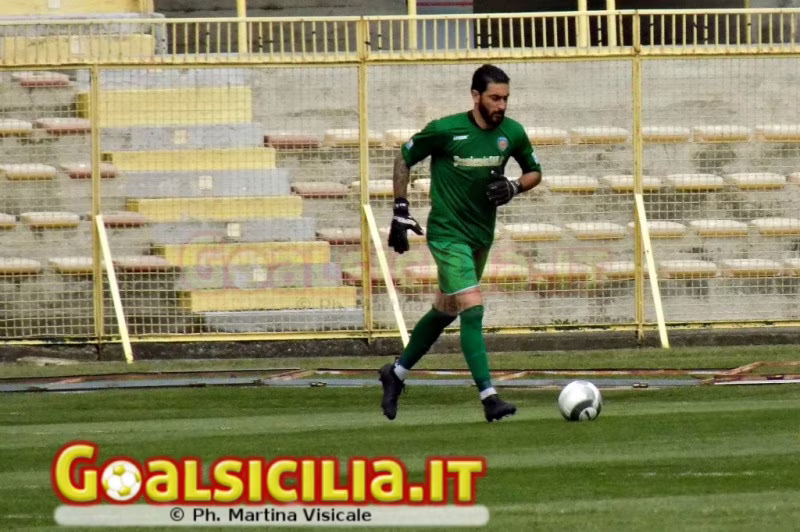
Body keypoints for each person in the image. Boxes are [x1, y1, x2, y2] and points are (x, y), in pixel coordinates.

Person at [379, 64, 542, 423]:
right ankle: (489, 396)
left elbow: (535, 172)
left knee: (446, 310)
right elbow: (403, 157)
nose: (501, 105)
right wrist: (400, 208)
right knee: (472, 307)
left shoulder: (512, 133)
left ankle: (396, 373)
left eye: (505, 98)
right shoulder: (446, 129)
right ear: (475, 96)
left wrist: (515, 186)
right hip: (447, 234)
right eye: (494, 98)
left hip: (480, 235)